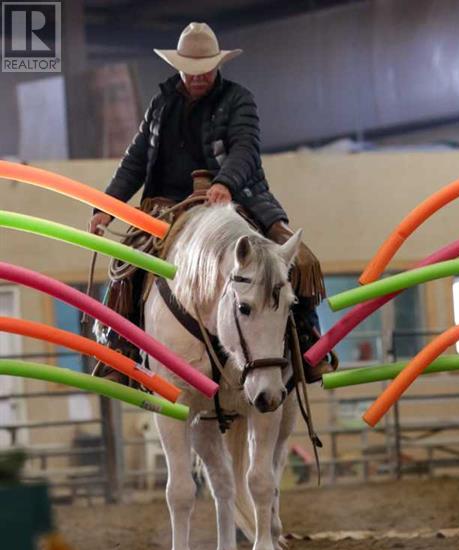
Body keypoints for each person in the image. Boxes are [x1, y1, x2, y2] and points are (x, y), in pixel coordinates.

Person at [89, 22, 335, 382]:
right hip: (166, 205)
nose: (197, 77)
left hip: (238, 197)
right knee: (127, 264)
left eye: (204, 69)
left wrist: (225, 184)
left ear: (217, 65)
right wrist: (105, 207)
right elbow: (136, 160)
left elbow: (245, 149)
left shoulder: (239, 99)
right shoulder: (160, 105)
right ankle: (119, 347)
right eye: (191, 70)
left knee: (298, 260)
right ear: (178, 67)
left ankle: (307, 342)